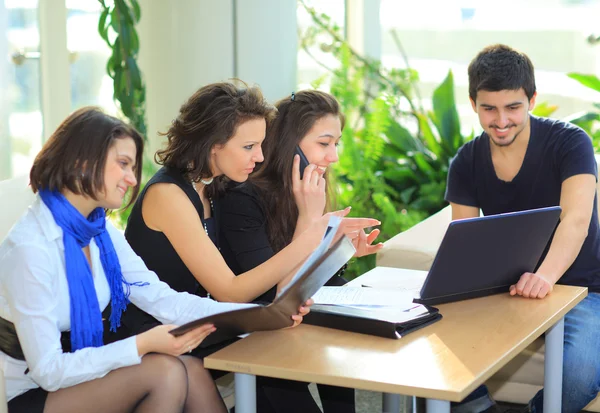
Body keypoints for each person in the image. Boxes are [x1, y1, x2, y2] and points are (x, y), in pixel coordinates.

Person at [0, 107, 310, 413]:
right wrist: (142, 344)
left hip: (83, 369)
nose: (132, 179)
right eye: (122, 164)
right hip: (31, 391)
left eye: (132, 167)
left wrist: (264, 316)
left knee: (188, 370)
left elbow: (165, 301)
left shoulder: (100, 230)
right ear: (82, 162)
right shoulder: (30, 249)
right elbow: (49, 371)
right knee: (166, 373)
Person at [124, 83, 379, 413]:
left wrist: (328, 241)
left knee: (303, 336)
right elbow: (230, 291)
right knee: (277, 351)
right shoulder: (169, 195)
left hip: (203, 320)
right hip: (161, 329)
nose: (260, 156)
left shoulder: (214, 187)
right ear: (212, 145)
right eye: (248, 146)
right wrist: (311, 235)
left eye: (260, 145)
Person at [445, 44, 600, 413]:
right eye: (489, 108)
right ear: (473, 103)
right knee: (431, 342)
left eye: (513, 107)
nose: (501, 121)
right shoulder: (466, 161)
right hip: (507, 290)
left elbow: (576, 219)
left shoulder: (570, 143)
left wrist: (544, 278)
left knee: (578, 375)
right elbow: (465, 242)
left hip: (583, 290)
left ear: (531, 99)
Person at [216, 90, 383, 413]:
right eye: (324, 143)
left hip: (294, 326)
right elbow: (281, 299)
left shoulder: (308, 189)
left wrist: (342, 249)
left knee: (342, 341)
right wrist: (309, 219)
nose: (333, 156)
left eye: (336, 143)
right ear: (290, 144)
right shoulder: (242, 199)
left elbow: (318, 280)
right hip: (258, 334)